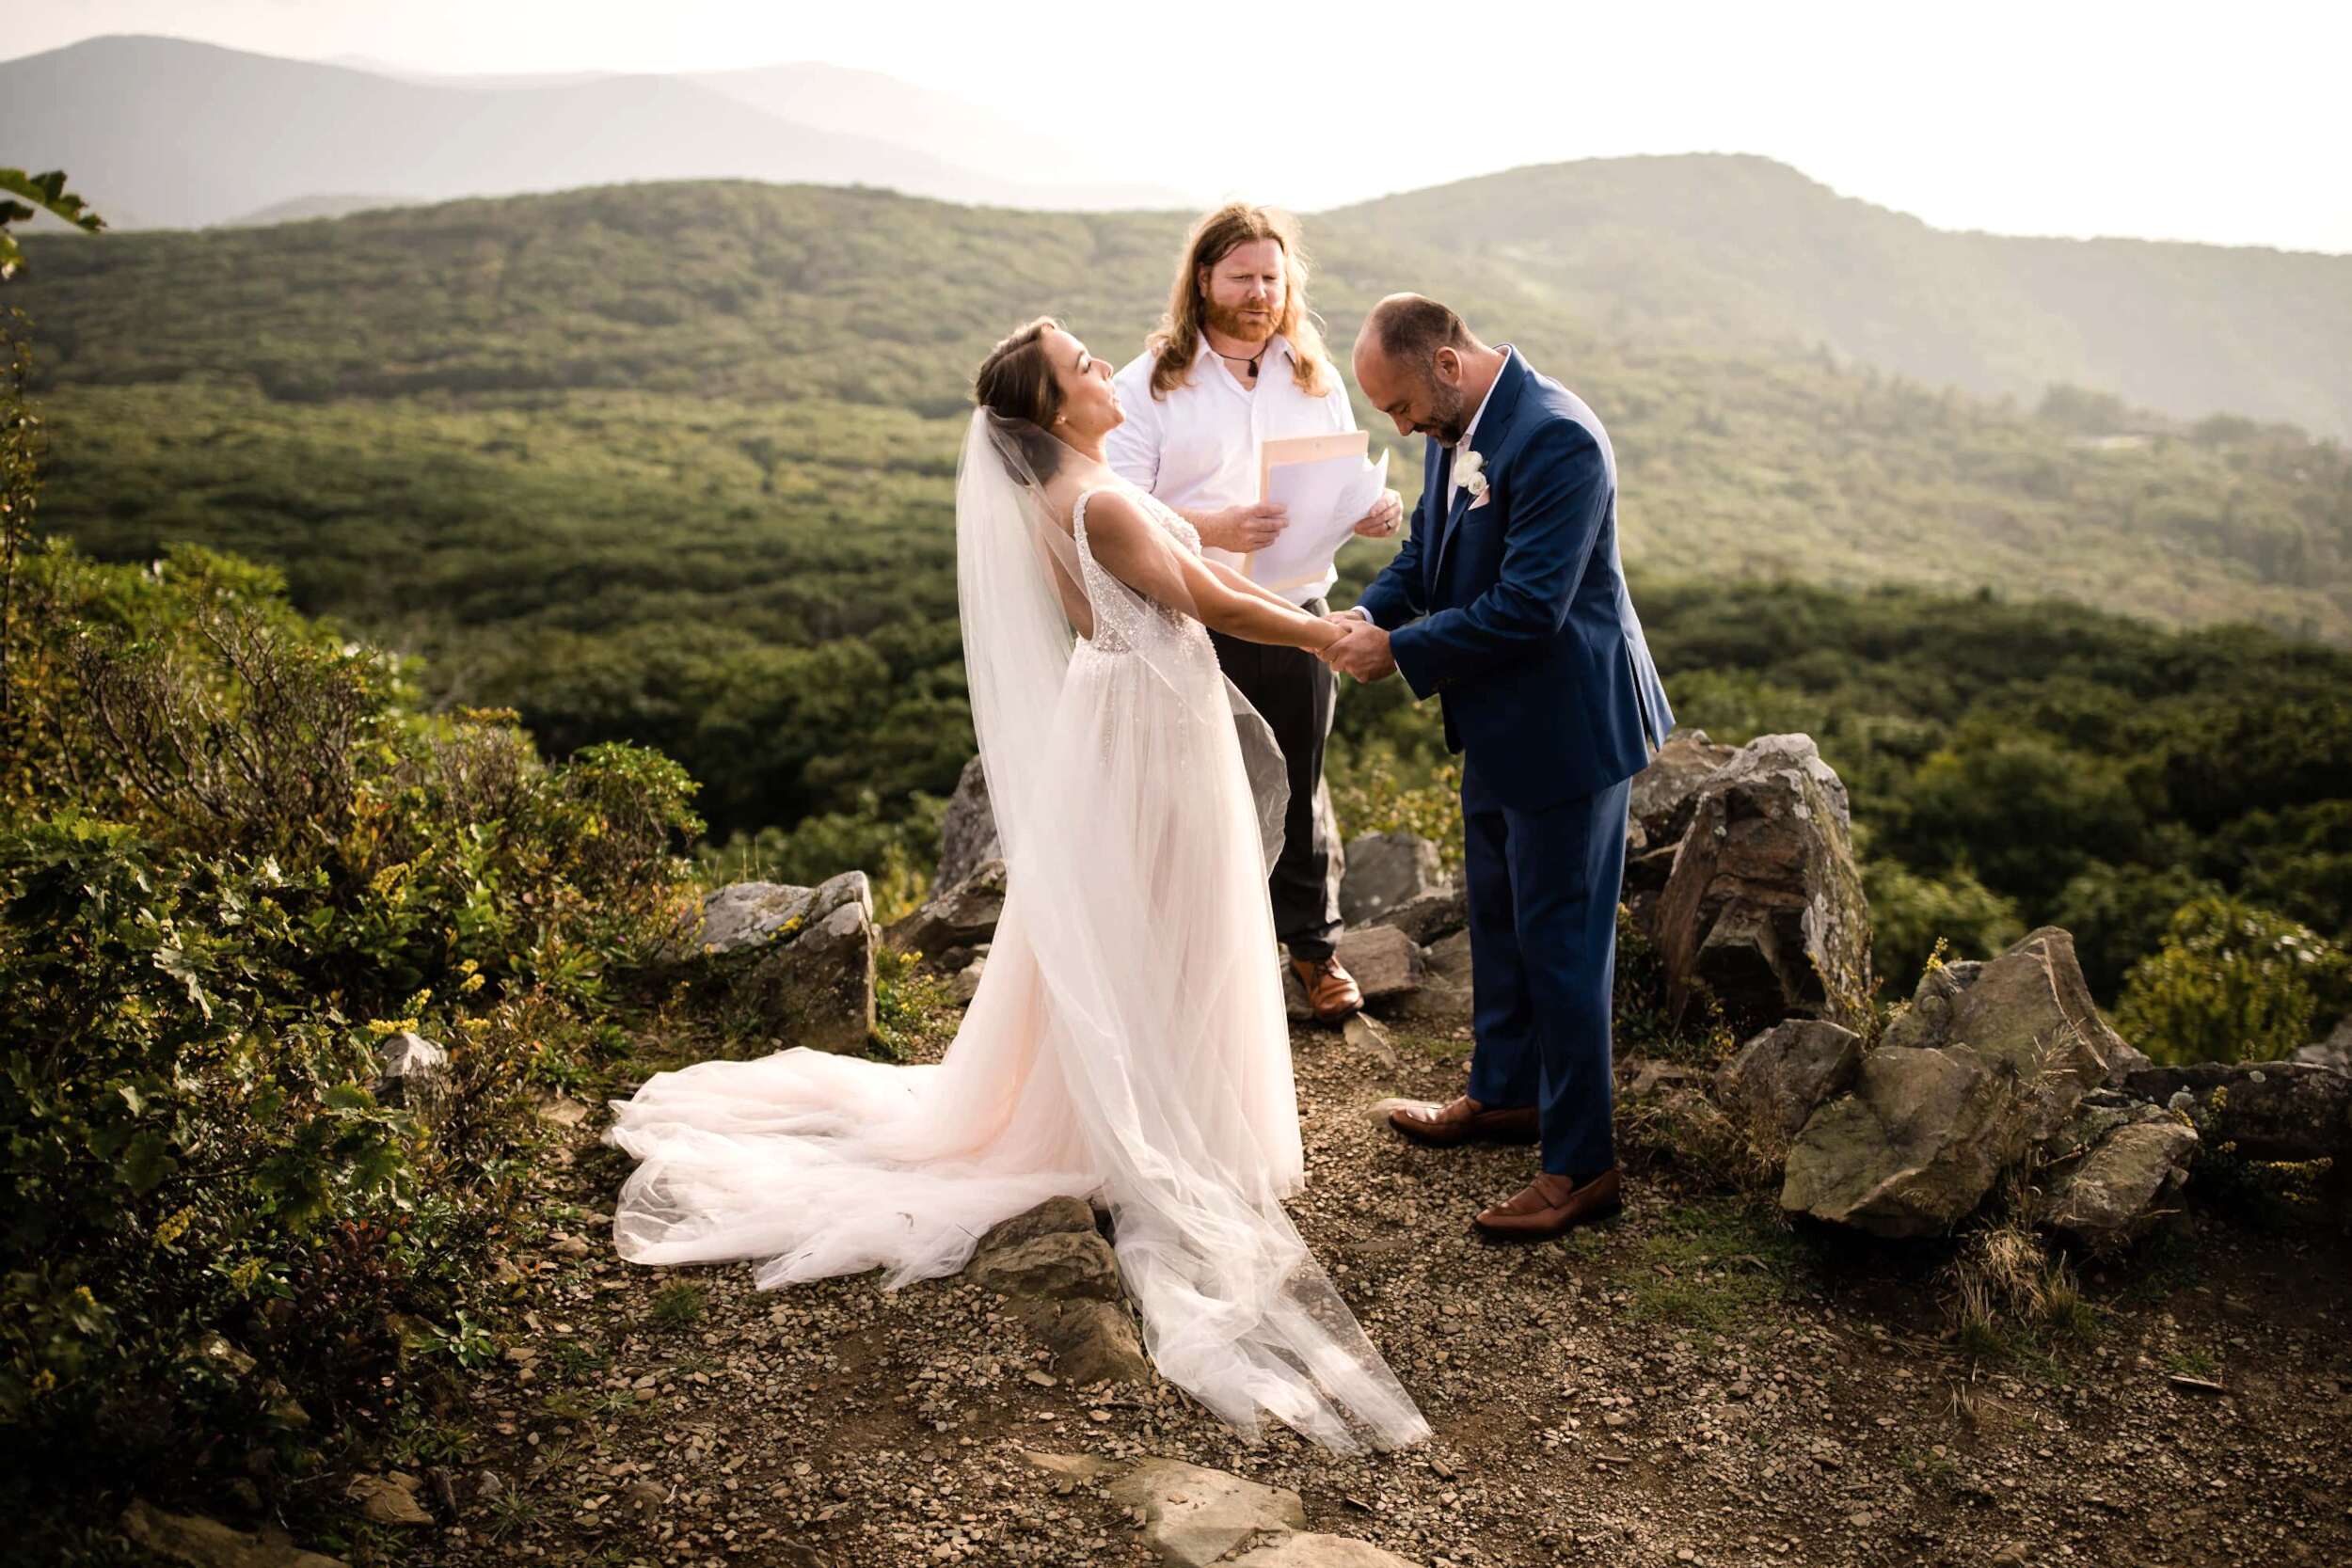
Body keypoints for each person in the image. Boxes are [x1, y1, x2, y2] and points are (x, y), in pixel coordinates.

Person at [606, 318, 1429, 1454]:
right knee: (1165, 917)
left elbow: (1194, 571)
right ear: (1051, 411)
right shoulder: (1093, 500)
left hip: (1137, 715)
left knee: (1143, 920)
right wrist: (1323, 632)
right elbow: (1206, 600)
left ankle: (1153, 1103)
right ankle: (1132, 1127)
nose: (1104, 368)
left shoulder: (1084, 487)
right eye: (1082, 365)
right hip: (1147, 727)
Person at [1322, 294, 1674, 1243]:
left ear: (1445, 363)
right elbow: (1426, 555)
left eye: (1397, 407)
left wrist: (1397, 651)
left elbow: (1528, 608)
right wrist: (1368, 614)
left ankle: (1582, 1163)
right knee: (1500, 921)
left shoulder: (1559, 438)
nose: (1397, 428)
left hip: (1568, 729)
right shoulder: (1456, 424)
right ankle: (1505, 1094)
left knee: (1563, 948)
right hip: (1495, 724)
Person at [1104, 203, 1405, 1022]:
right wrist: (1213, 528)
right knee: (1192, 797)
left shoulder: (1314, 377)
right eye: (1242, 276)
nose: (1260, 292)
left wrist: (1374, 510)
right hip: (1189, 620)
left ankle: (1312, 952)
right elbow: (1112, 507)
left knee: (1299, 788)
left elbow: (1344, 482)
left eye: (1272, 276)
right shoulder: (1150, 384)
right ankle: (1194, 967)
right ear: (1203, 280)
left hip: (1299, 607)